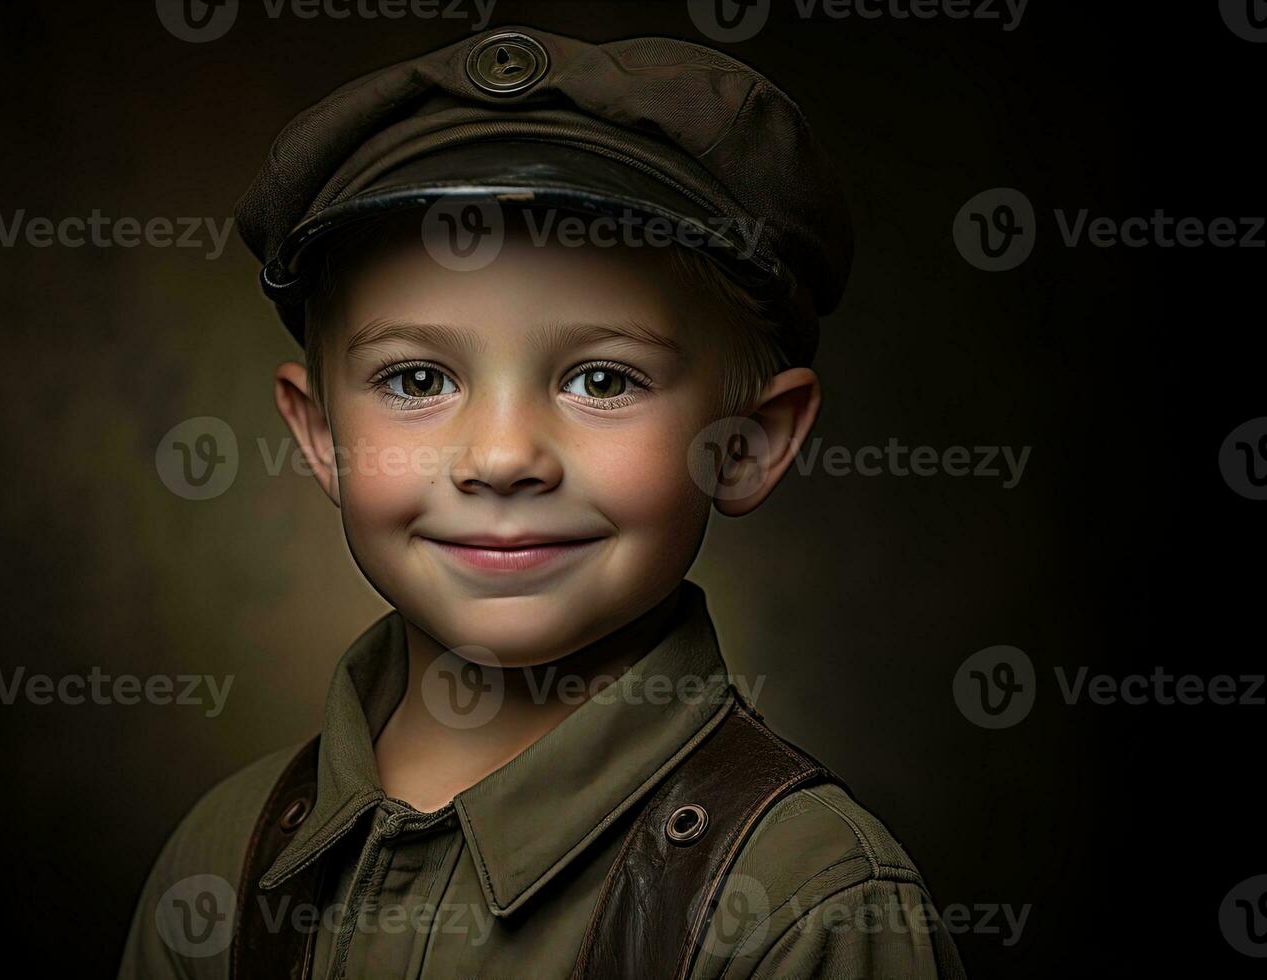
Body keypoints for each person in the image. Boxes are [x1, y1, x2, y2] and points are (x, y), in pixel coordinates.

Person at [120, 25, 966, 979]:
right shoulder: (226, 864)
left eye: (603, 380)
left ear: (748, 443)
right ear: (321, 437)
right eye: (414, 380)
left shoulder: (799, 903)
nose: (502, 457)